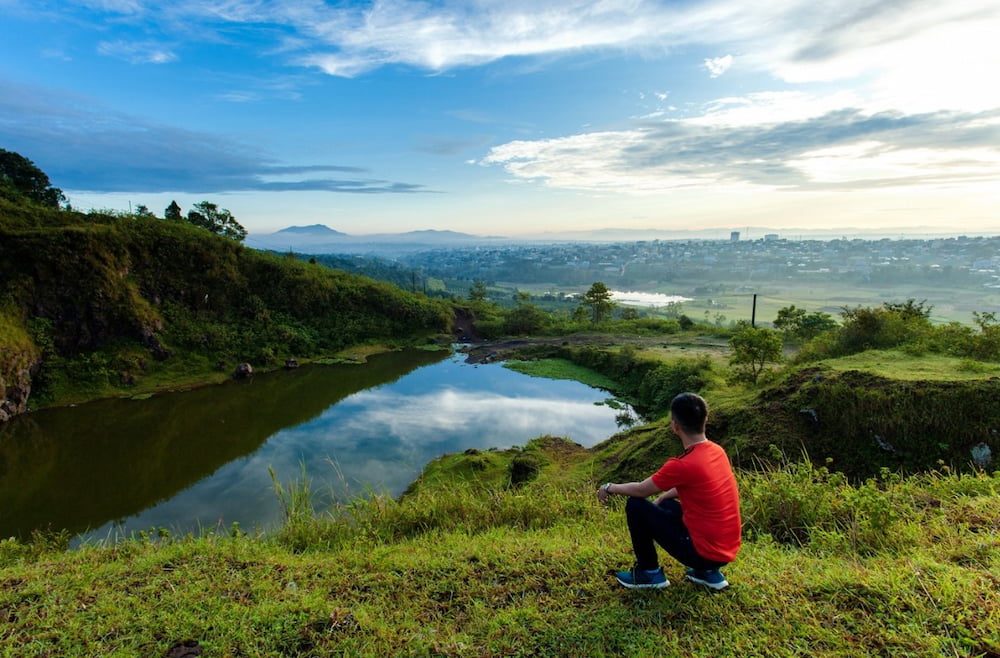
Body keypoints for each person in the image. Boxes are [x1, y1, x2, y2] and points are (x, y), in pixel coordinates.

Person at [597, 392, 741, 590]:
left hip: (703, 553)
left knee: (636, 506)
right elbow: (698, 487)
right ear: (705, 420)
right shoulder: (717, 451)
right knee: (665, 504)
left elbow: (641, 490)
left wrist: (608, 487)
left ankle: (649, 573)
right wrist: (665, 495)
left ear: (675, 426)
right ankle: (708, 574)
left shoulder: (683, 464)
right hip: (725, 549)